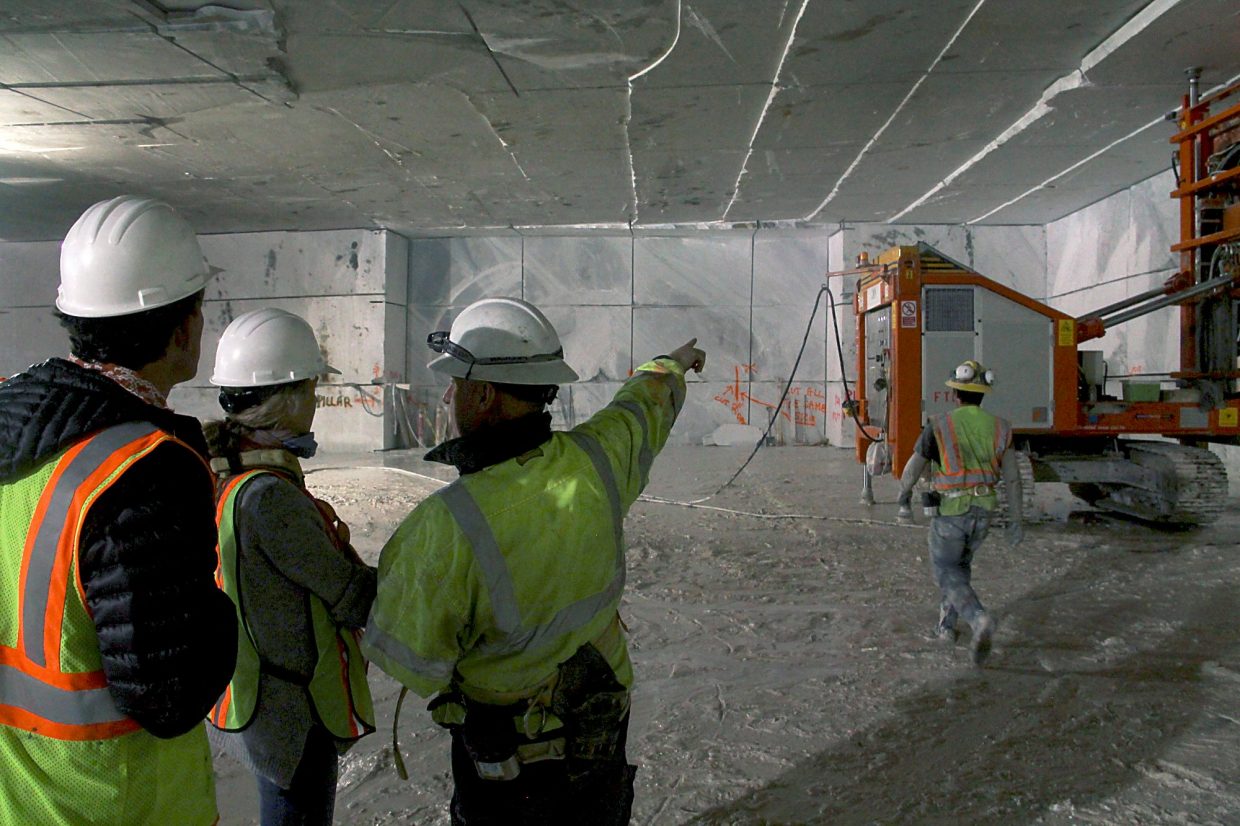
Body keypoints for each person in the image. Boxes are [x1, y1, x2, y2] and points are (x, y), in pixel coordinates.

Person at [361, 297, 706, 825]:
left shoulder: (443, 528)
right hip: (600, 719)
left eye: (457, 383)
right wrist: (671, 363)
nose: (451, 395)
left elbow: (412, 657)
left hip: (511, 756)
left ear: (482, 393)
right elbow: (644, 404)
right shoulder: (599, 458)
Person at [0, 195, 238, 823]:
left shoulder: (12, 428)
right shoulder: (142, 470)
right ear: (184, 329)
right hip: (114, 803)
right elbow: (167, 695)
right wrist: (218, 602)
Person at [203, 307, 376, 825]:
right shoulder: (269, 500)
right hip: (291, 716)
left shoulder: (228, 472)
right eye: (311, 389)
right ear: (288, 399)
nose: (317, 402)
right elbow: (348, 593)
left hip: (255, 700)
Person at [896, 359, 1023, 666]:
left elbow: (912, 469)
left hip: (951, 511)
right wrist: (1017, 521)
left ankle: (977, 618)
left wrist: (903, 498)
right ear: (983, 394)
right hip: (983, 513)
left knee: (945, 569)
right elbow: (1013, 478)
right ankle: (946, 628)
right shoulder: (1001, 427)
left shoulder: (939, 425)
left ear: (955, 394)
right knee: (959, 569)